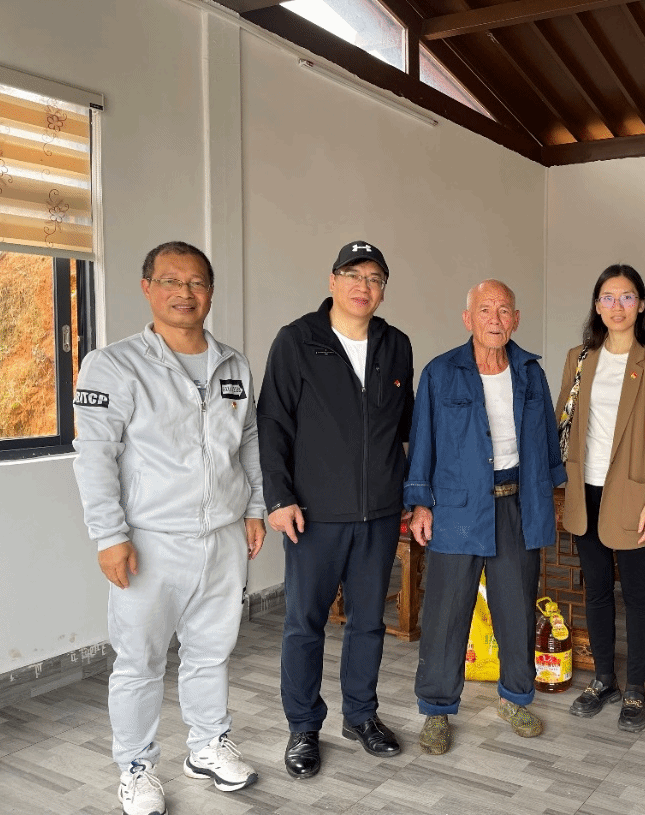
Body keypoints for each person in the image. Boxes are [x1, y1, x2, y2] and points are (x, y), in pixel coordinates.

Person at [72, 241, 264, 815]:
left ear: (211, 291)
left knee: (212, 651)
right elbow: (95, 455)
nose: (185, 293)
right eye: (171, 281)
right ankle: (136, 767)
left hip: (223, 536)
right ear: (147, 288)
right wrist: (109, 535)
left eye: (197, 282)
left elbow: (248, 442)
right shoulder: (114, 365)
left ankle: (207, 746)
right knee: (140, 661)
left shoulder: (233, 365)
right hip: (149, 541)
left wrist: (255, 507)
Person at [257, 241, 414, 778]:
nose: (362, 286)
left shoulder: (396, 345)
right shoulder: (297, 340)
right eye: (352, 274)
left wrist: (411, 495)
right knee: (305, 624)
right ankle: (303, 728)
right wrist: (279, 498)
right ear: (332, 281)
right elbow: (272, 423)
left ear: (383, 290)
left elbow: (406, 428)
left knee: (369, 623)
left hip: (379, 515)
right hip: (314, 515)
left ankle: (361, 716)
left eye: (374, 278)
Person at [405, 279, 564, 755]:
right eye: (485, 309)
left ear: (516, 319)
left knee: (516, 605)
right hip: (457, 506)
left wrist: (553, 495)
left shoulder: (530, 372)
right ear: (468, 318)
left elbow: (548, 439)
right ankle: (436, 709)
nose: (495, 319)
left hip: (517, 501)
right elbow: (423, 440)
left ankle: (516, 698)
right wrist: (420, 503)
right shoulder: (440, 372)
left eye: (504, 310)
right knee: (446, 611)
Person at [555, 264, 645, 733]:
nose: (617, 306)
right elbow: (564, 420)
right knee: (597, 589)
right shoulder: (579, 358)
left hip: (634, 493)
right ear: (597, 305)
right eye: (607, 297)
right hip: (584, 488)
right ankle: (603, 678)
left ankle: (635, 687)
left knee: (637, 594)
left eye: (626, 297)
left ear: (641, 305)